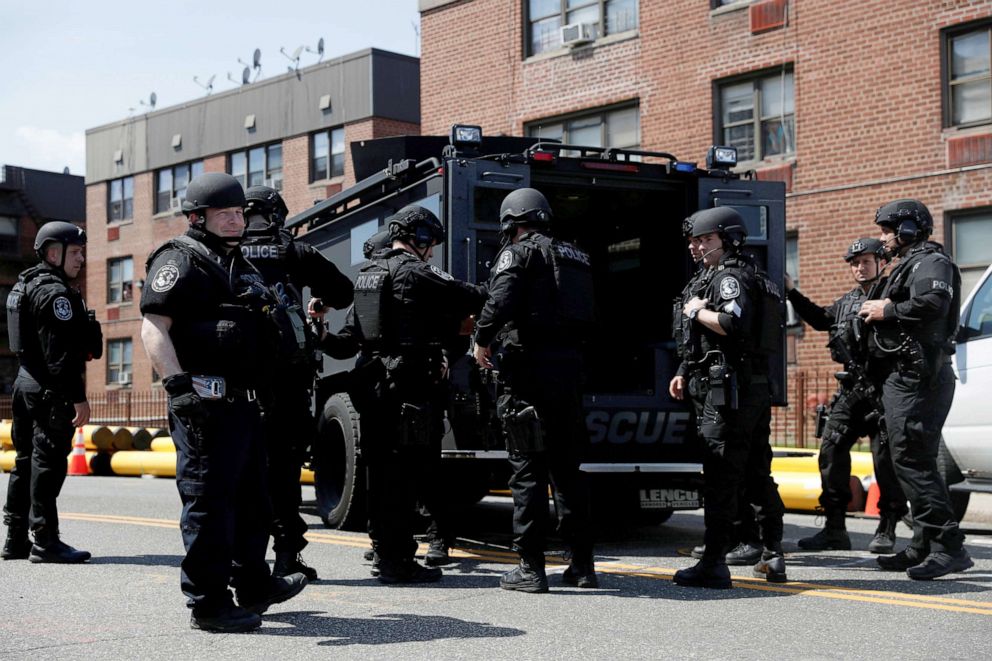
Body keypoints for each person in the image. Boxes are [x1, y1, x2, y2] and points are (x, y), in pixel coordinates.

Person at [140, 173, 307, 633]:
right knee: (209, 504)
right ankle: (208, 604)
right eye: (226, 214)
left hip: (245, 405)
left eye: (239, 213)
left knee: (255, 500)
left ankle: (253, 584)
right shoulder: (181, 260)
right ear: (198, 217)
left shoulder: (237, 264)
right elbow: (154, 328)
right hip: (204, 404)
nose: (237, 220)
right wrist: (178, 388)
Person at [345, 204, 486, 584]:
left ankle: (383, 550)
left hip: (373, 382)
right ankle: (397, 561)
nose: (432, 251)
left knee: (381, 472)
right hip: (406, 385)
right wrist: (499, 287)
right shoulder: (412, 270)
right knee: (407, 475)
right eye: (431, 243)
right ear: (419, 238)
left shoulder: (369, 273)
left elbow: (357, 330)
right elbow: (465, 294)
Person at [473, 187, 597, 593]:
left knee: (527, 470)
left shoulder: (519, 252)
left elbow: (502, 299)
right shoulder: (575, 255)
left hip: (528, 375)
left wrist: (481, 337)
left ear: (511, 222)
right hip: (569, 374)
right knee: (568, 473)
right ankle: (582, 566)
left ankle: (530, 567)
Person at [668, 207, 786, 589]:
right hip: (750, 386)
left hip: (728, 391)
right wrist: (685, 371)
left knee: (720, 473)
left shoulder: (729, 278)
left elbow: (731, 323)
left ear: (728, 239)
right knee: (756, 470)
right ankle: (772, 555)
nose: (697, 247)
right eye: (694, 241)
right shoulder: (760, 278)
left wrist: (697, 311)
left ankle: (714, 562)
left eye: (706, 240)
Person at [241, 185, 353, 581]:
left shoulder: (220, 251)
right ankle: (287, 555)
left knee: (237, 469)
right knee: (283, 468)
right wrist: (317, 303)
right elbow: (343, 291)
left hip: (235, 381)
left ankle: (241, 564)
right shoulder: (294, 251)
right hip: (286, 380)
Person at [859, 198, 972, 580]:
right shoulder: (908, 264)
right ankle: (923, 543)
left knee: (914, 460)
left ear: (908, 230)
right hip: (902, 378)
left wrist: (886, 310)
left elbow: (934, 302)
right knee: (906, 459)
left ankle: (948, 546)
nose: (883, 238)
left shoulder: (932, 262)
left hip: (920, 376)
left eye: (887, 231)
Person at [787, 238, 908, 553]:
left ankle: (888, 526)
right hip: (852, 390)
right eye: (855, 263)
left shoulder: (893, 297)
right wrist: (791, 292)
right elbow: (821, 320)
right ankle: (834, 527)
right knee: (830, 451)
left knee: (885, 459)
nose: (859, 267)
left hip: (885, 389)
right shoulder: (846, 302)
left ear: (881, 262)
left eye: (865, 261)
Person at [3, 221, 101, 563]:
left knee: (25, 463)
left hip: (24, 385)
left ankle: (15, 539)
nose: (81, 260)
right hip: (49, 391)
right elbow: (59, 355)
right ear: (53, 252)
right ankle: (45, 540)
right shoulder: (55, 293)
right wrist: (78, 398)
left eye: (82, 253)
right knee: (47, 466)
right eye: (75, 253)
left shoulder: (25, 284)